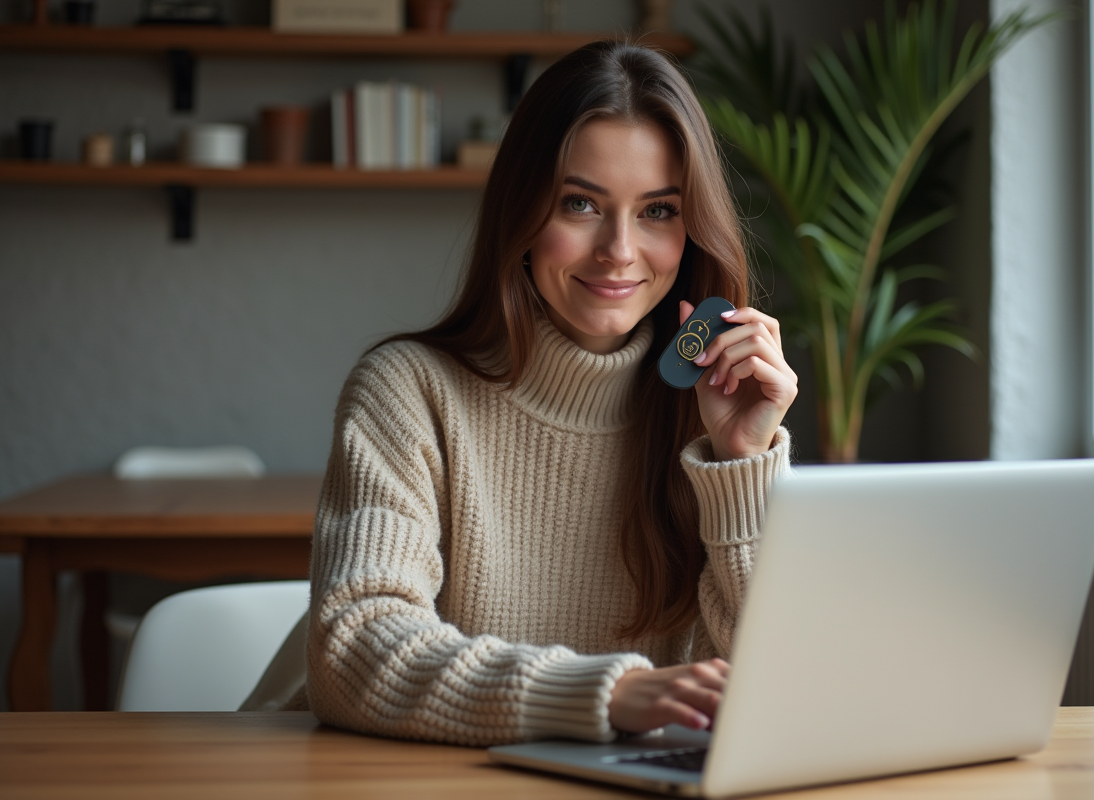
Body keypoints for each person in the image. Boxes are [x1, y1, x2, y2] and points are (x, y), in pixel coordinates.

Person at [302, 40, 798, 746]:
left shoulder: (708, 414)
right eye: (580, 204)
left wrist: (740, 462)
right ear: (524, 213)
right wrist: (609, 693)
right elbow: (353, 651)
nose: (620, 250)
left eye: (658, 211)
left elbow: (782, 684)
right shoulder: (408, 391)